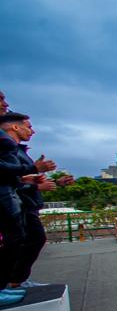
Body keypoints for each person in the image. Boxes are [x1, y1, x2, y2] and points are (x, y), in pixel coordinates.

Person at [0, 112, 64, 288]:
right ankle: (11, 282)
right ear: (15, 127)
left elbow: (17, 178)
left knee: (24, 240)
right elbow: (10, 175)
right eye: (28, 127)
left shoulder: (16, 150)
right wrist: (33, 171)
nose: (32, 131)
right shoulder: (7, 147)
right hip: (17, 202)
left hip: (22, 202)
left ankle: (14, 282)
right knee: (21, 240)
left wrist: (54, 182)